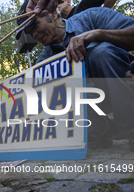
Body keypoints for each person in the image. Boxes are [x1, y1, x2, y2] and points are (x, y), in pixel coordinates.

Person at [17, 6, 134, 150]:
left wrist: (98, 35)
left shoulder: (92, 17)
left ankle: (131, 130)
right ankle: (101, 131)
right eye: (29, 33)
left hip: (125, 81)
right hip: (93, 101)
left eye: (35, 25)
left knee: (101, 53)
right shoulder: (43, 62)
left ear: (53, 13)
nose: (34, 34)